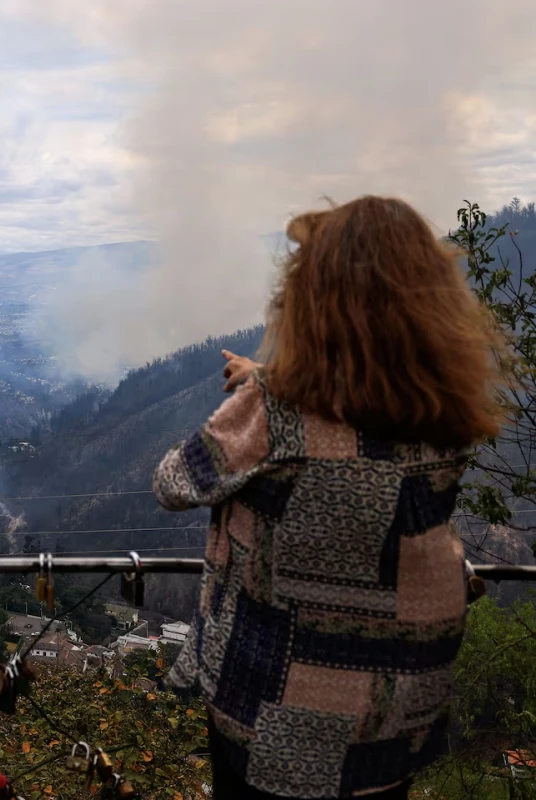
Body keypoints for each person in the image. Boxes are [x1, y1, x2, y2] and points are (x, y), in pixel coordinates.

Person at [153, 196, 500, 800]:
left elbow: (175, 482)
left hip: (273, 718)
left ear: (313, 300)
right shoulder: (446, 417)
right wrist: (267, 381)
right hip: (396, 718)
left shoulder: (275, 415)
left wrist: (263, 391)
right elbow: (358, 431)